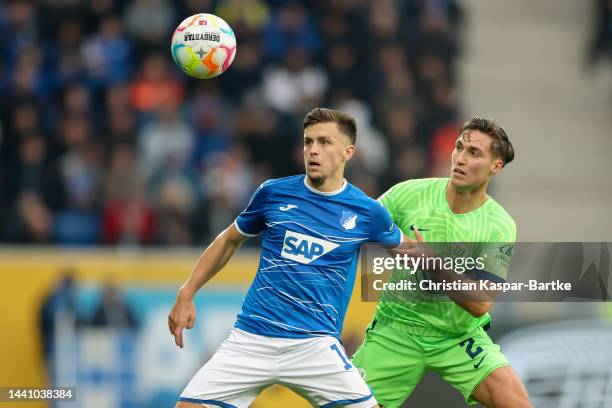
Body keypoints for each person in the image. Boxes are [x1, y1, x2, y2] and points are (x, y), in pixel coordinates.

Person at [168, 108, 404, 408]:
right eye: (308, 142)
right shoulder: (273, 193)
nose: (313, 150)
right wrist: (187, 290)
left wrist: (463, 281)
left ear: (348, 152)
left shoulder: (366, 211)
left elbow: (410, 250)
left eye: (324, 142)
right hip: (252, 338)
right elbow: (229, 239)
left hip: (315, 344)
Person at [352, 118, 532, 408]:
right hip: (397, 330)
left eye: (474, 153)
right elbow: (355, 225)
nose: (460, 158)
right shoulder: (408, 194)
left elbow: (480, 302)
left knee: (517, 403)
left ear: (495, 166)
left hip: (458, 338)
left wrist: (429, 261)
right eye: (459, 147)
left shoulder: (499, 225)